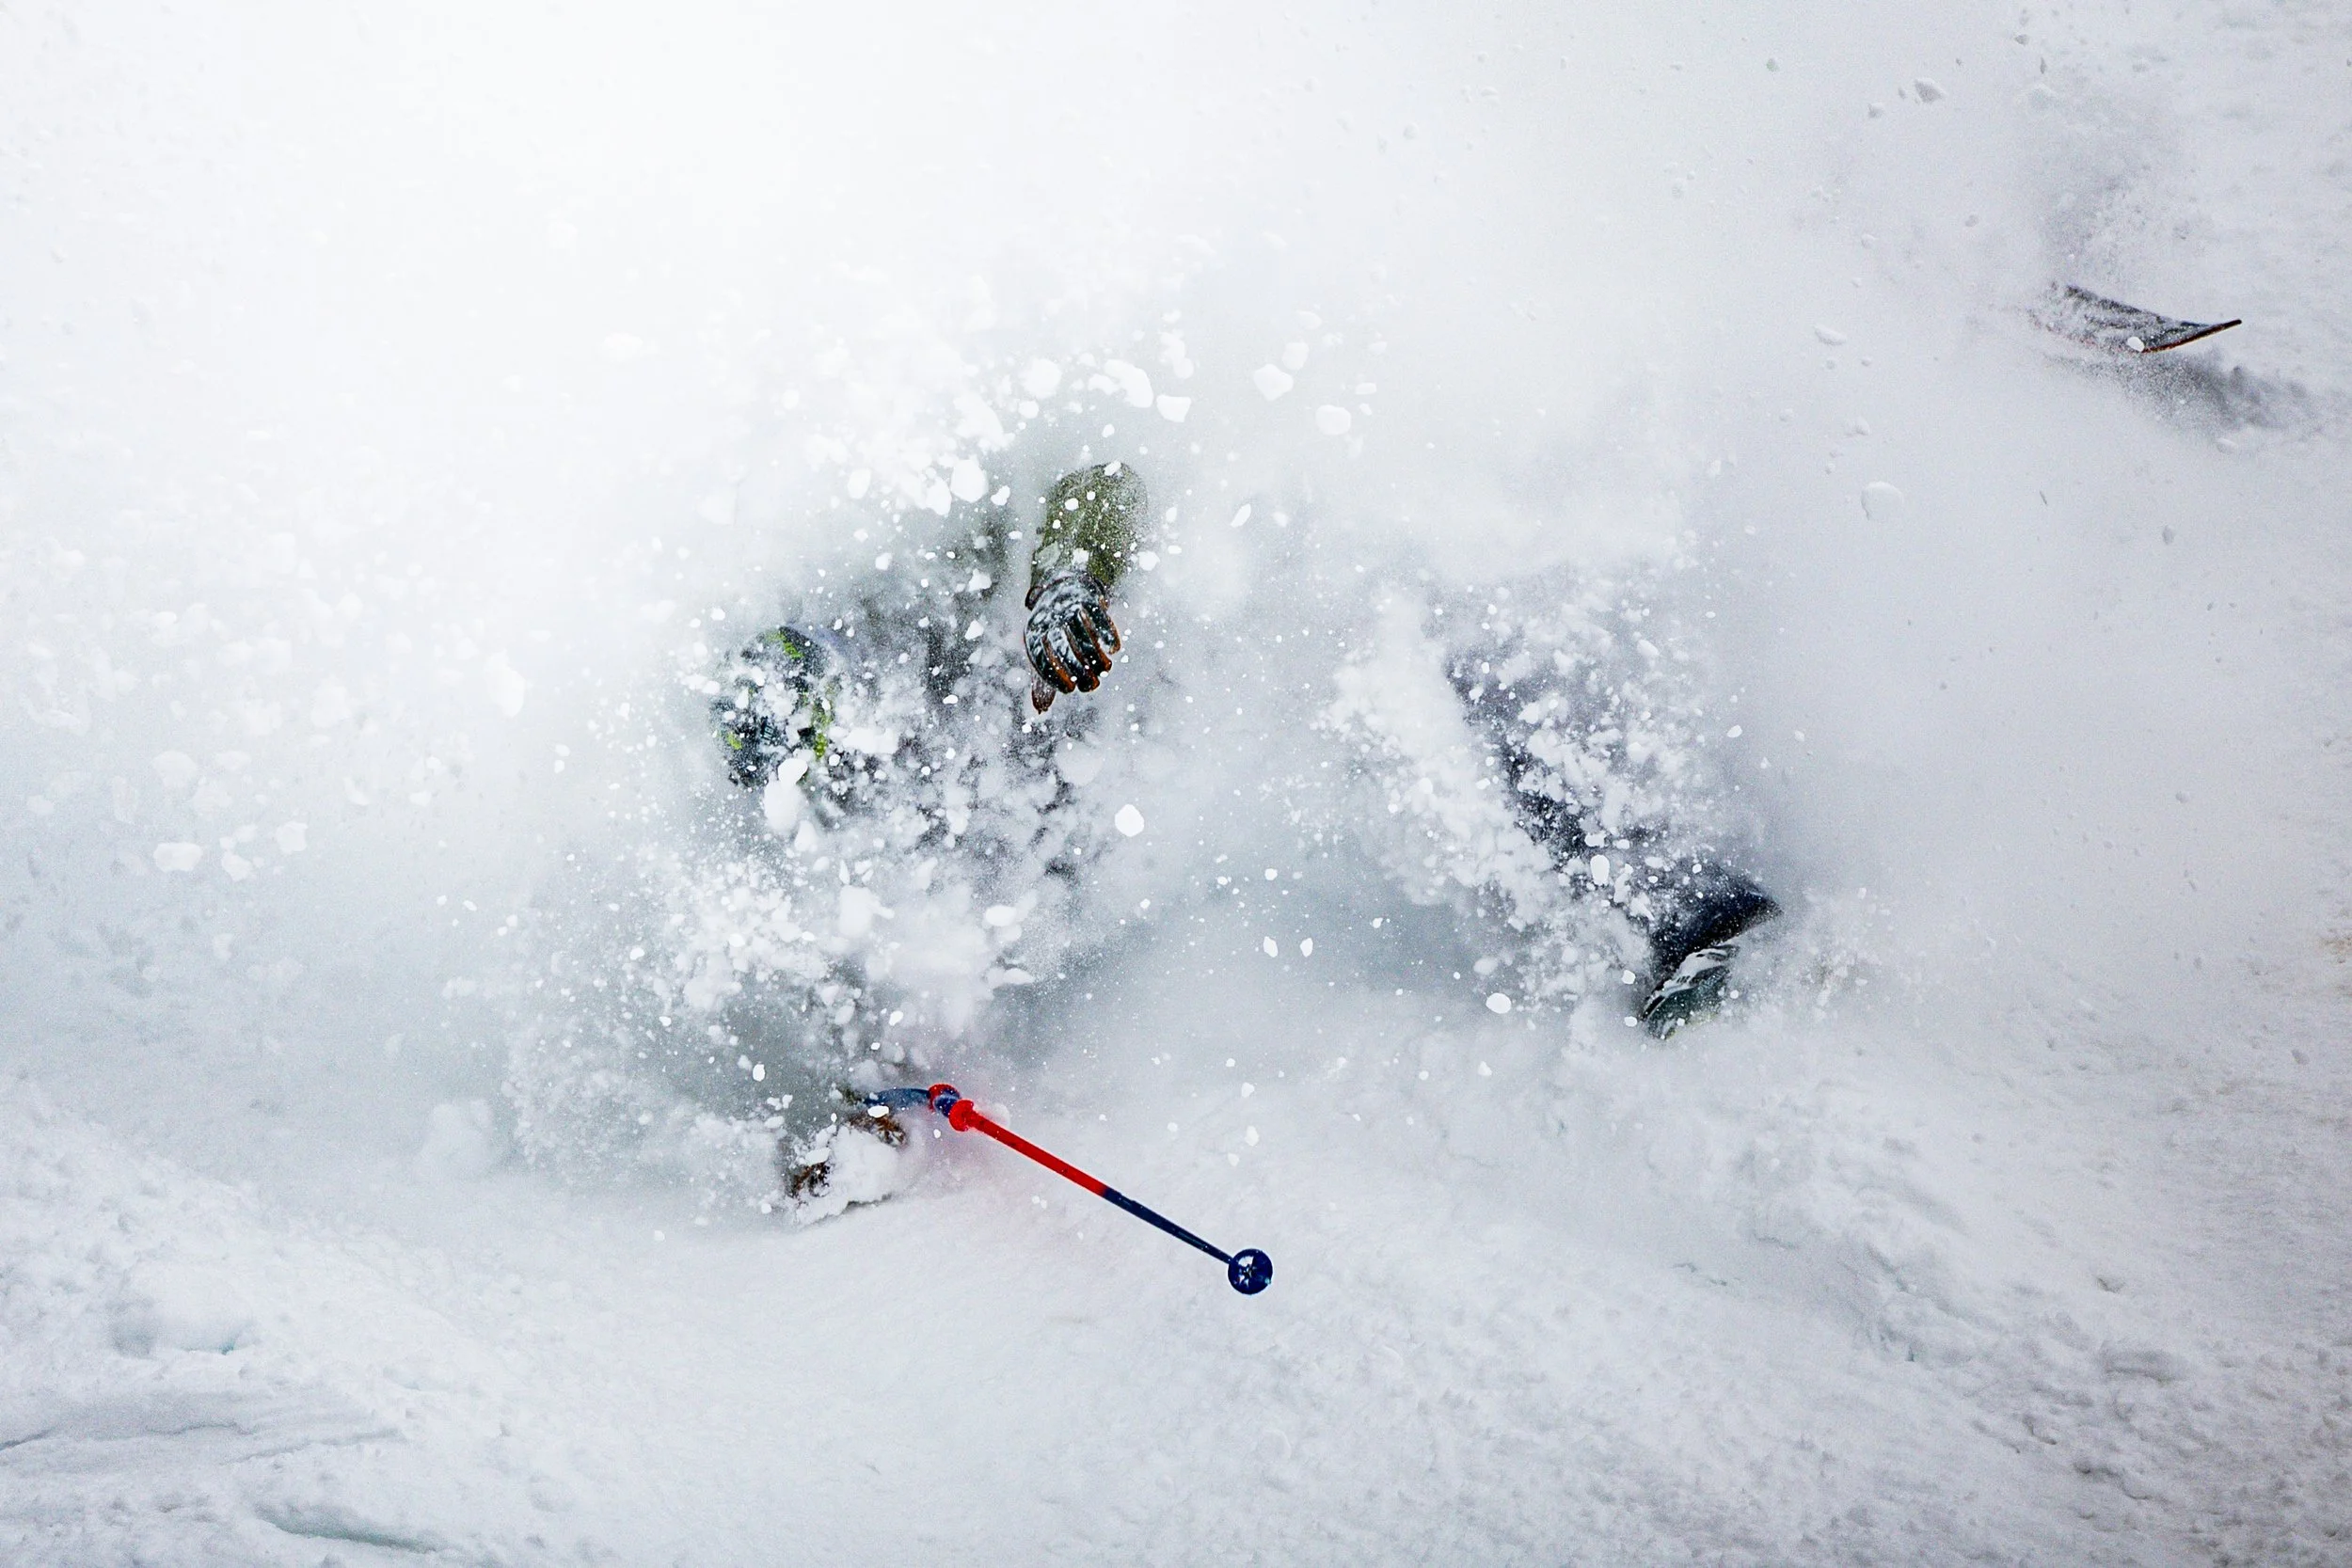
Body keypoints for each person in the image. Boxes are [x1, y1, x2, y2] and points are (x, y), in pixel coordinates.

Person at [695, 463, 1151, 1218]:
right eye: (799, 770)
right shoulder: (822, 814)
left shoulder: (919, 602)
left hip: (1101, 770)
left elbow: (1105, 483)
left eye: (815, 736)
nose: (820, 770)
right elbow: (867, 955)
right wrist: (871, 1113)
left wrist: (1071, 577)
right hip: (1028, 911)